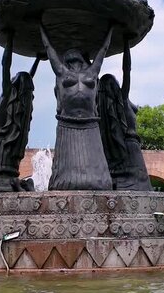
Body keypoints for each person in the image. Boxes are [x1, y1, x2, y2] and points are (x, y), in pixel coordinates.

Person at [40, 24, 114, 190]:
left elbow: (103, 50)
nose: (73, 57)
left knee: (99, 177)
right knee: (65, 177)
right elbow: (49, 48)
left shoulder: (92, 72)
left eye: (76, 55)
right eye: (70, 56)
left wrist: (111, 28)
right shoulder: (61, 71)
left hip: (90, 122)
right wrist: (40, 26)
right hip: (68, 122)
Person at [0, 30, 41, 193]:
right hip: (4, 145)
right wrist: (37, 58)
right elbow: (24, 76)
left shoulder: (9, 96)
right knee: (0, 177)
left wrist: (10, 39)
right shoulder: (11, 98)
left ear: (15, 83)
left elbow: (6, 65)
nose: (12, 76)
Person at [98, 34, 153, 191]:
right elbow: (126, 70)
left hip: (114, 150)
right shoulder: (122, 98)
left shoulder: (102, 106)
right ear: (115, 86)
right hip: (130, 146)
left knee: (120, 183)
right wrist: (126, 44)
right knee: (141, 187)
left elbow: (93, 76)